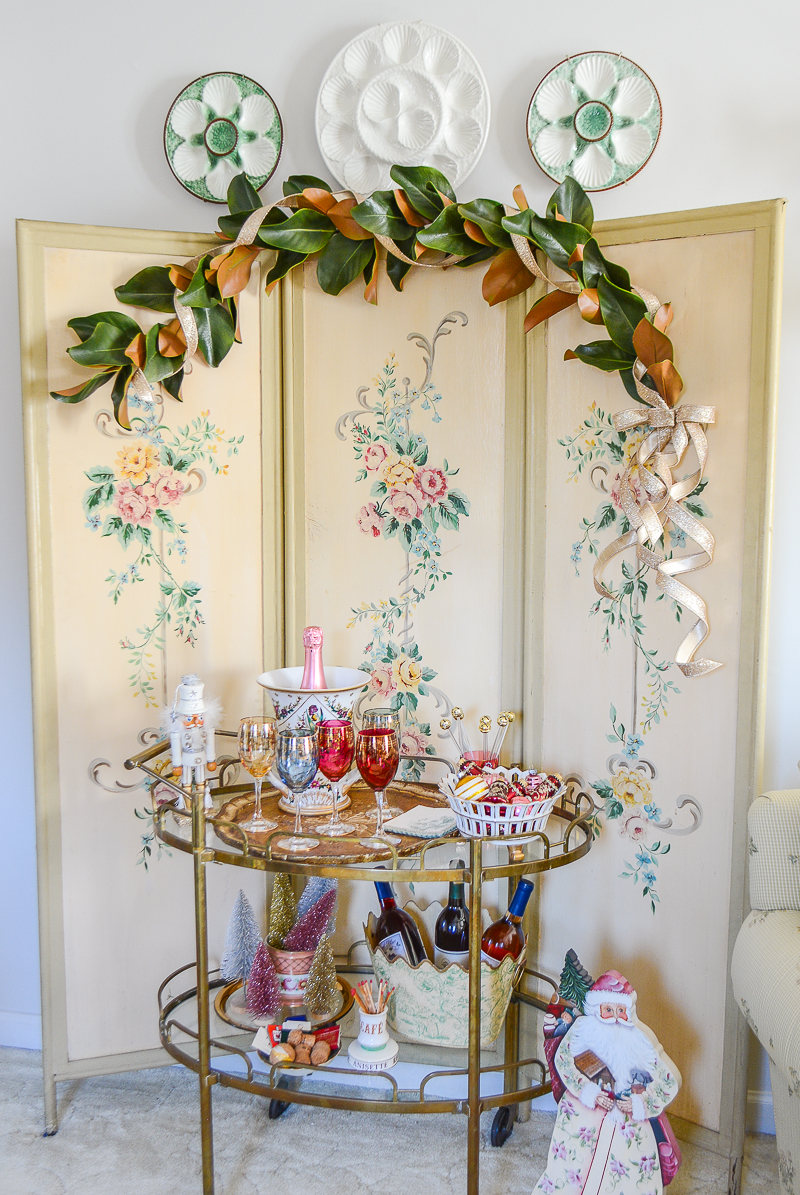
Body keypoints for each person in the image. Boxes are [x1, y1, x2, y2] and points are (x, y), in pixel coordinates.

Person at [533, 970, 680, 1195]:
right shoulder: (582, 1031)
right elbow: (564, 1061)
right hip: (586, 1104)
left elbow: (669, 1082)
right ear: (597, 1009)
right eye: (608, 1010)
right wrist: (588, 1092)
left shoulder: (640, 1040)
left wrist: (640, 1103)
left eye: (620, 1011)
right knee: (573, 1155)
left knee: (630, 1161)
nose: (613, 1017)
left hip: (627, 1112)